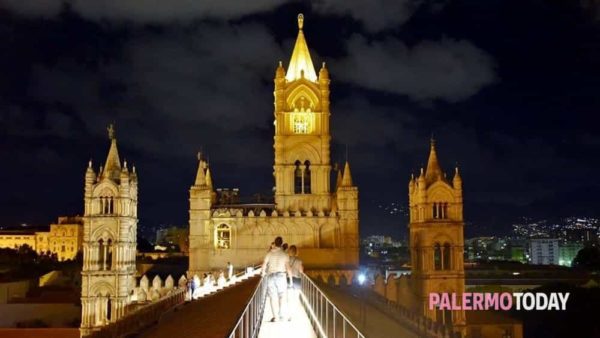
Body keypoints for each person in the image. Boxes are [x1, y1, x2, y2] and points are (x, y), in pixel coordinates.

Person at [261, 236, 292, 322]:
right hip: (281, 276)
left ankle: (275, 317)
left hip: (271, 276)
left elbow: (264, 265)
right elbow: (288, 268)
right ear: (281, 243)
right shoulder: (285, 254)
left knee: (272, 296)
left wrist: (263, 273)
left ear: (275, 242)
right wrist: (291, 279)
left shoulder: (269, 253)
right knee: (282, 295)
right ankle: (281, 314)